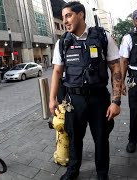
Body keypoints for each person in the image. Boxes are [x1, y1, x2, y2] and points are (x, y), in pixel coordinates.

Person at [49, 2, 121, 180]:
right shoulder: (62, 42)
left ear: (81, 15)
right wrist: (52, 99)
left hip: (99, 100)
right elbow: (57, 72)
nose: (65, 20)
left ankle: (102, 174)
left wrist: (116, 101)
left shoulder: (103, 36)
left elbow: (116, 68)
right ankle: (73, 170)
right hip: (74, 100)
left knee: (101, 139)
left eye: (69, 15)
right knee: (74, 138)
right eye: (64, 16)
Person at [120, 10, 137, 153]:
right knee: (136, 111)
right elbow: (123, 60)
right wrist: (121, 82)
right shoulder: (128, 37)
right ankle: (133, 139)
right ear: (134, 22)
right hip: (136, 78)